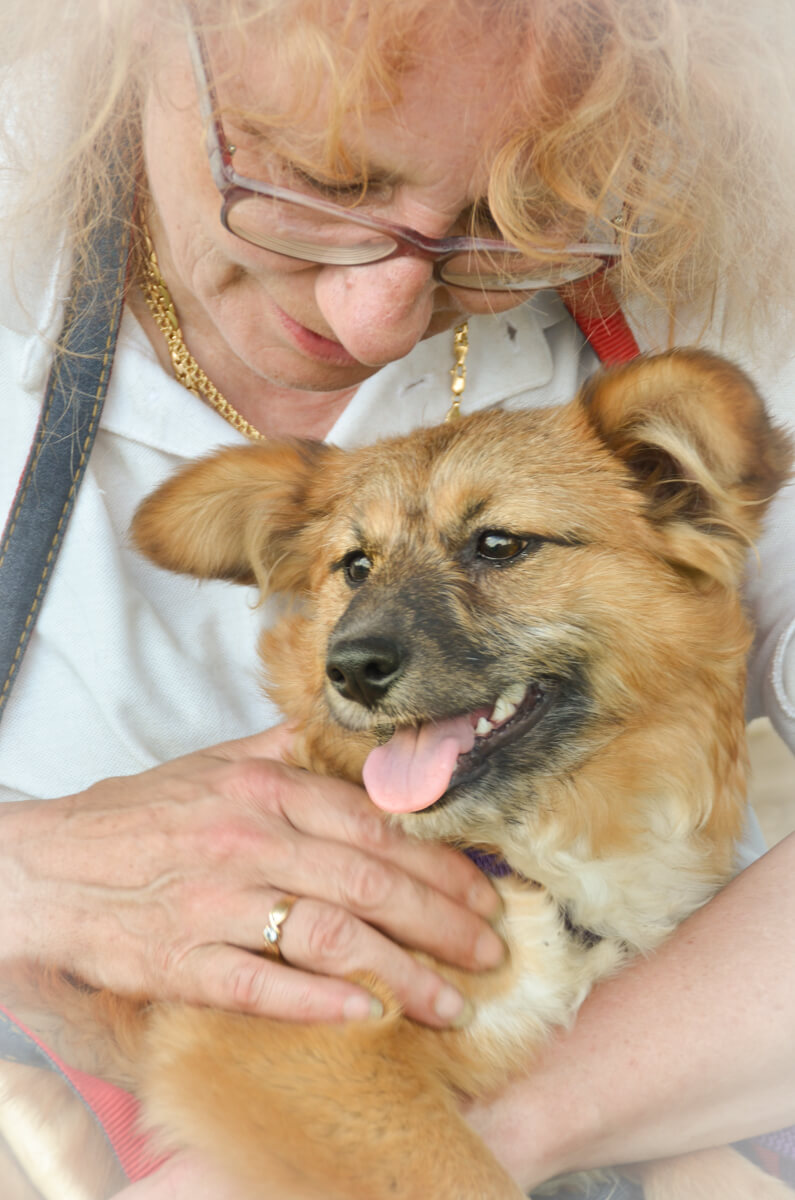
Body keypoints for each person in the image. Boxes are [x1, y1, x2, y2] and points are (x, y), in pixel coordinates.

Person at [0, 0, 793, 1196]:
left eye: (507, 223)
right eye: (322, 180)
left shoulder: (715, 222)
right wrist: (27, 873)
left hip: (662, 1054)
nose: (378, 317)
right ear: (145, 34)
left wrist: (494, 1129)